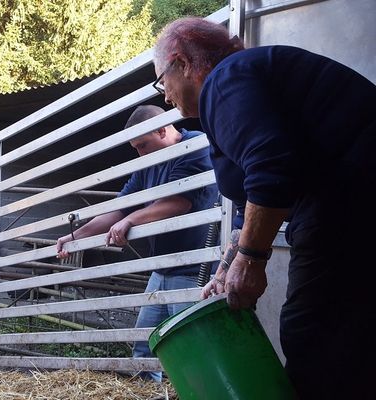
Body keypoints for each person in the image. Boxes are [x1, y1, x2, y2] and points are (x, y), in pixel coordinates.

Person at [152, 17, 376, 399]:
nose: (165, 96)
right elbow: (250, 201)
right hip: (349, 206)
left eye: (161, 82)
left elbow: (271, 166)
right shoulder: (242, 81)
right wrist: (228, 266)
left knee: (314, 335)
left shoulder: (224, 81)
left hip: (352, 206)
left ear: (183, 63)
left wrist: (251, 262)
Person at [56, 104, 218, 382]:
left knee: (193, 348)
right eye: (136, 148)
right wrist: (76, 236)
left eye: (143, 145)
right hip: (162, 268)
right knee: (145, 347)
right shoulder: (147, 165)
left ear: (163, 129)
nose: (140, 153)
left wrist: (131, 220)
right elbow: (121, 207)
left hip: (193, 270)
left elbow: (179, 201)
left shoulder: (195, 147)